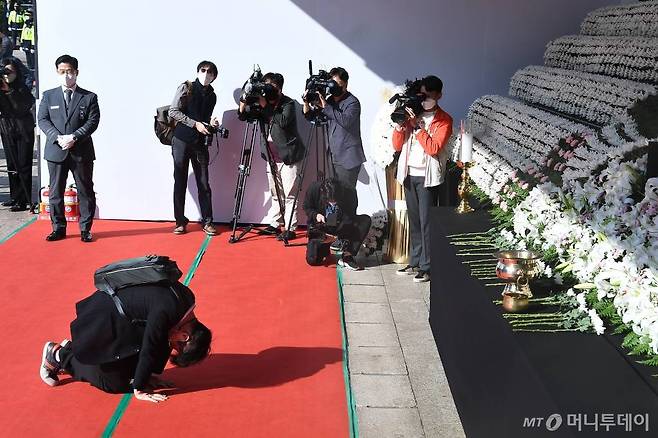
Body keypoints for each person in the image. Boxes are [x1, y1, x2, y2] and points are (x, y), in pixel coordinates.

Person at [39, 281, 212, 403]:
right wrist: (140, 388)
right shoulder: (165, 311)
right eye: (176, 348)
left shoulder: (186, 300)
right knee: (114, 383)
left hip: (124, 319)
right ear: (184, 337)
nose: (171, 348)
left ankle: (70, 350)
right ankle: (60, 355)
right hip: (103, 319)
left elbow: (157, 342)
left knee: (151, 350)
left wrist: (149, 375)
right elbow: (151, 346)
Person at [391, 75, 453, 283]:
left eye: (429, 95)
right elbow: (398, 146)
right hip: (409, 173)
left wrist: (418, 127)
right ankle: (415, 260)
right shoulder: (412, 112)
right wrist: (401, 124)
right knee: (415, 221)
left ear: (439, 96)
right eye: (422, 94)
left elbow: (433, 148)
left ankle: (427, 266)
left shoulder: (444, 119)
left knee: (427, 223)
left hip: (427, 177)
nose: (424, 98)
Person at [37, 55, 100, 242]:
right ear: (57, 72)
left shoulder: (89, 97)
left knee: (85, 190)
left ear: (76, 73)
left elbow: (93, 121)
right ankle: (58, 227)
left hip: (81, 150)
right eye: (62, 72)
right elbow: (43, 119)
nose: (66, 76)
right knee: (56, 191)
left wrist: (74, 136)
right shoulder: (49, 96)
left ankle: (85, 229)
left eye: (70, 72)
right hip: (56, 150)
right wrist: (57, 137)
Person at [238, 72, 305, 241]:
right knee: (276, 192)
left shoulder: (288, 103)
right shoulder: (262, 101)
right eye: (265, 85)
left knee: (290, 194)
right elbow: (244, 116)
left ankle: (290, 228)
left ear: (280, 89)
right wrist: (244, 101)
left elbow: (282, 121)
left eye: (271, 87)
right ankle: (276, 223)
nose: (267, 90)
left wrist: (265, 105)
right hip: (271, 155)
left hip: (289, 156)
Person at [168, 61, 220, 236]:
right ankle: (180, 222)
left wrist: (210, 124)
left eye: (210, 72)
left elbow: (204, 119)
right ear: (198, 71)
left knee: (204, 183)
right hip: (182, 140)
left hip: (200, 143)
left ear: (214, 76)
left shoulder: (212, 96)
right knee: (180, 181)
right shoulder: (186, 87)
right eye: (203, 70)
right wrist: (194, 123)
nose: (206, 74)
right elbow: (173, 111)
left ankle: (208, 221)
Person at [302, 67, 365, 190]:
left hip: (347, 158)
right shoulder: (329, 100)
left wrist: (325, 106)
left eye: (338, 84)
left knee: (347, 195)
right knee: (333, 194)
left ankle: (349, 210)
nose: (334, 87)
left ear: (345, 84)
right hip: (332, 156)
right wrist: (306, 102)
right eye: (332, 84)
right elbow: (312, 118)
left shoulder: (353, 102)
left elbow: (345, 121)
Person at [303, 178, 371, 271]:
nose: (332, 203)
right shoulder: (314, 189)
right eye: (329, 200)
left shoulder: (349, 191)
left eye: (335, 200)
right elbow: (307, 207)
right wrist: (316, 215)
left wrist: (336, 237)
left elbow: (350, 216)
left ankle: (347, 255)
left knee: (365, 220)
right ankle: (324, 248)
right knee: (313, 260)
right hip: (322, 226)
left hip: (341, 224)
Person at [0, 57, 34, 211]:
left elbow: (21, 107)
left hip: (23, 130)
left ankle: (23, 199)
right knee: (12, 165)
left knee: (23, 164)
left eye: (10, 71)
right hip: (7, 129)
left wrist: (9, 91)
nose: (7, 75)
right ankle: (15, 197)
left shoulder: (22, 87)